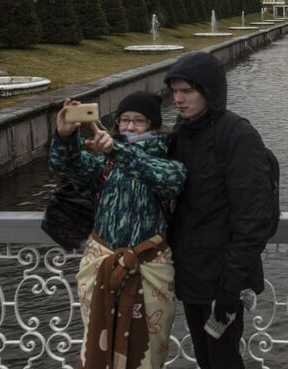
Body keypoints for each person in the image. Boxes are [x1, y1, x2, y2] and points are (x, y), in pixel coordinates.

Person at [49, 91, 186, 369]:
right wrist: (65, 136)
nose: (129, 127)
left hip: (149, 271)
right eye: (124, 120)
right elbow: (65, 166)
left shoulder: (170, 162)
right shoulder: (104, 163)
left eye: (139, 121)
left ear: (154, 126)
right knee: (98, 348)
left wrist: (116, 150)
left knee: (148, 352)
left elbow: (161, 177)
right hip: (102, 265)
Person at [164, 51, 272, 369]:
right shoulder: (182, 132)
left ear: (209, 92)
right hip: (192, 273)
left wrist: (231, 285)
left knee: (224, 361)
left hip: (223, 278)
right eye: (175, 91)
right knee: (206, 358)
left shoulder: (236, 134)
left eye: (187, 91)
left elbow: (254, 216)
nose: (178, 99)